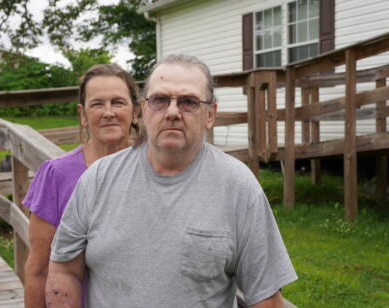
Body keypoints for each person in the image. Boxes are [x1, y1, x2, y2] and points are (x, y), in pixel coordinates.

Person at [46, 55, 297, 307]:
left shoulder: (239, 187)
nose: (173, 112)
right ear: (143, 110)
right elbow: (64, 271)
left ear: (210, 114)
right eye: (160, 100)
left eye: (188, 102)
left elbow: (265, 297)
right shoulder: (97, 179)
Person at [22, 63, 140, 307]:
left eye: (118, 102)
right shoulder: (57, 175)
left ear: (136, 112)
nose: (108, 112)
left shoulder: (152, 168)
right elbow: (38, 269)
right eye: (97, 104)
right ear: (83, 115)